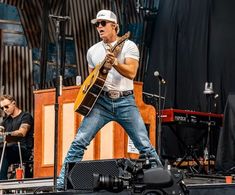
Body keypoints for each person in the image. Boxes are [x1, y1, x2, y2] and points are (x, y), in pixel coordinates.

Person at [57, 9, 162, 190]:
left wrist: (114, 62)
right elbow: (91, 80)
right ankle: (62, 183)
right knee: (79, 141)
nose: (99, 27)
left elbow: (131, 72)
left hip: (125, 102)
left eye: (103, 23)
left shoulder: (128, 46)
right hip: (101, 104)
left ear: (115, 26)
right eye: (97, 24)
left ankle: (162, 179)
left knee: (144, 144)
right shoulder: (92, 51)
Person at [0, 94, 34, 180]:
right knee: (3, 151)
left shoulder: (25, 116)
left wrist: (6, 134)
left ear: (14, 103)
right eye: (2, 108)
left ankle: (2, 184)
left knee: (4, 153)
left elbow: (22, 132)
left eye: (6, 107)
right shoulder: (5, 121)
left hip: (23, 150)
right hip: (9, 149)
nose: (4, 110)